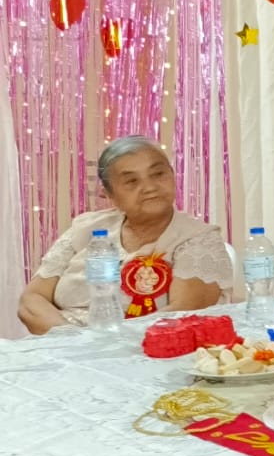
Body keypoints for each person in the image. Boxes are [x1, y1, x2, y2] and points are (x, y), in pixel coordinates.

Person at [18, 136, 231, 333]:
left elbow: (182, 315)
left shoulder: (198, 238)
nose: (149, 187)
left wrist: (99, 346)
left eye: (158, 174)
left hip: (140, 351)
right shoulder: (87, 228)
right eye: (131, 181)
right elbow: (31, 300)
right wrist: (72, 338)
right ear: (109, 194)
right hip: (65, 343)